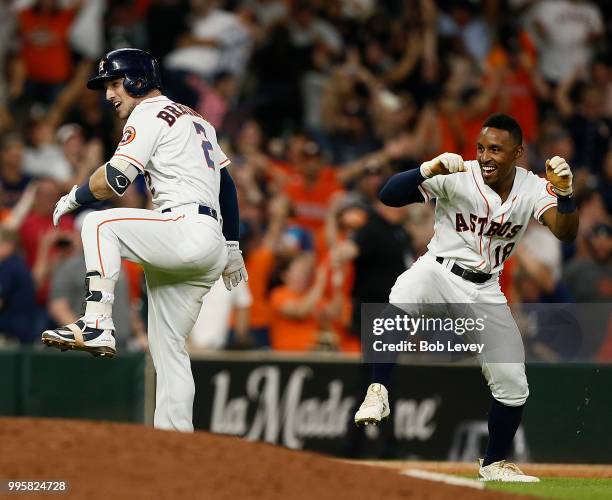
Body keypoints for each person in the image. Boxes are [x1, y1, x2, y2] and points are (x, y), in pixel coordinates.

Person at [353, 114, 578, 481]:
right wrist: (426, 169)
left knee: (513, 382)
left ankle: (493, 464)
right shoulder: (458, 173)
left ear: (519, 152)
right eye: (481, 147)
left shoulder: (534, 187)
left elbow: (565, 233)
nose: (485, 156)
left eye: (496, 149)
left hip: (486, 288)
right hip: (440, 268)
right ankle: (378, 389)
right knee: (405, 291)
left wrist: (566, 196)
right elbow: (388, 195)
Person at [40, 48, 248, 433]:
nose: (109, 95)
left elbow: (117, 179)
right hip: (209, 240)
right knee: (169, 350)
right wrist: (233, 247)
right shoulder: (198, 119)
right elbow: (228, 186)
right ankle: (177, 444)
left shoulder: (148, 113)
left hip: (183, 227)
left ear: (137, 80)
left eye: (115, 83)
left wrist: (74, 196)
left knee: (98, 224)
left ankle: (97, 322)